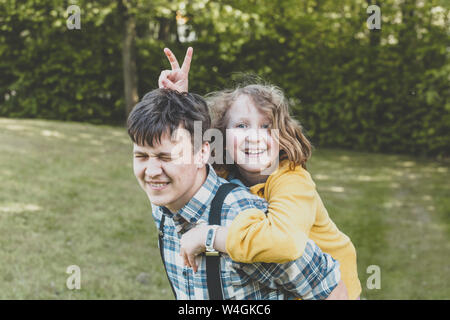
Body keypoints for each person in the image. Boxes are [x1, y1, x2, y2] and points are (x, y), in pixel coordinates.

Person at [158, 47, 361, 299]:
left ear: (282, 136)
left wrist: (208, 237)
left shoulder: (292, 179)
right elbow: (186, 155)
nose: (254, 136)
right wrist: (181, 102)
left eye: (266, 126)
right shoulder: (223, 171)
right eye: (242, 125)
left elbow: (285, 242)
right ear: (220, 134)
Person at [127, 88, 347, 299]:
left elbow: (331, 289)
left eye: (167, 158)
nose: (153, 172)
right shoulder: (164, 204)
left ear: (202, 153)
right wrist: (173, 100)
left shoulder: (245, 220)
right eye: (142, 157)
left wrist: (210, 237)